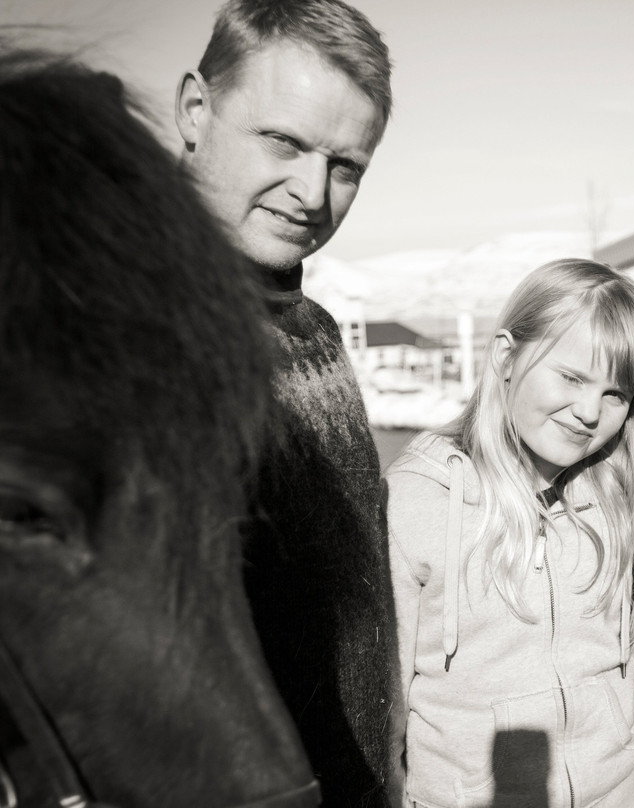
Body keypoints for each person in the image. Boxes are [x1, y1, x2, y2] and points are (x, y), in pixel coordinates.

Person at [174, 2, 396, 805]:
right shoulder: (119, 337)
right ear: (195, 111)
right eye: (284, 143)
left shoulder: (316, 332)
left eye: (347, 167)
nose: (312, 192)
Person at [386, 259, 634, 808]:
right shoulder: (417, 502)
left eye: (616, 393)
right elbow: (383, 709)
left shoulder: (622, 501)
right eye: (571, 377)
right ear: (506, 356)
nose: (589, 412)